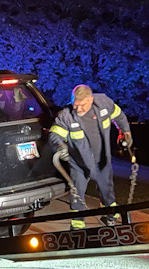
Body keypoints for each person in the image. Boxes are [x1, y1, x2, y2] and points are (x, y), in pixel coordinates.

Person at [50, 84, 133, 230]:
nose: (78, 109)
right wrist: (60, 146)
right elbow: (54, 134)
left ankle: (111, 217)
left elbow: (119, 116)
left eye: (82, 105)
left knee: (107, 192)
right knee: (77, 195)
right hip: (79, 164)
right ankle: (77, 226)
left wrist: (125, 132)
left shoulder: (103, 103)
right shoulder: (66, 115)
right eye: (75, 105)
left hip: (102, 161)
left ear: (90, 100)